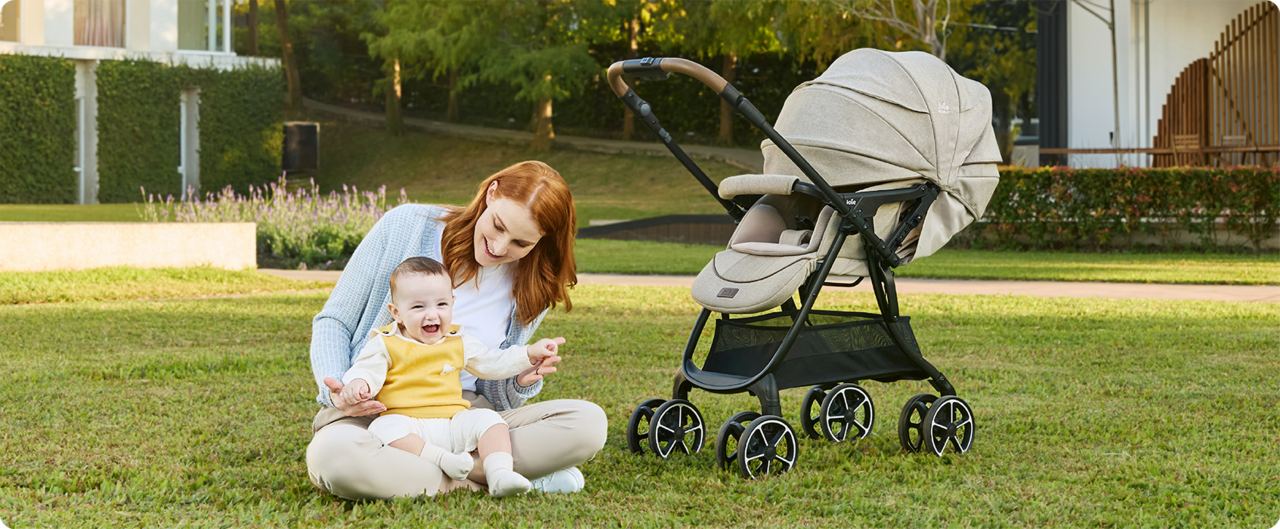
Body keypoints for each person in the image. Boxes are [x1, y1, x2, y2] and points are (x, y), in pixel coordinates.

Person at [308, 161, 608, 499]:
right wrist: (339, 388)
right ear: (491, 193)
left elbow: (493, 385)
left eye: (520, 244)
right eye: (497, 226)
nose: (498, 247)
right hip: (378, 414)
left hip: (463, 416)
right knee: (333, 459)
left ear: (540, 241)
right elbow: (334, 320)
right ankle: (493, 475)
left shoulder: (530, 284)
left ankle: (439, 474)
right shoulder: (405, 226)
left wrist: (520, 381)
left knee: (588, 424)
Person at [340, 256, 565, 498]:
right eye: (418, 307)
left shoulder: (458, 340)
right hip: (407, 422)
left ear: (452, 303)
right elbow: (367, 369)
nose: (432, 315)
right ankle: (443, 460)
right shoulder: (386, 342)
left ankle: (499, 473)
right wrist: (358, 383)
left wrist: (528, 353)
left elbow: (492, 362)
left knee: (490, 421)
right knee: (383, 428)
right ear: (397, 313)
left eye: (441, 304)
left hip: (453, 420)